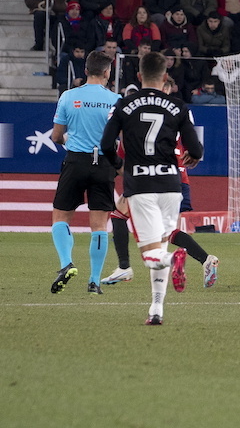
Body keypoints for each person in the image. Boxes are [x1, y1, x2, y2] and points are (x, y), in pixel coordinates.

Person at [100, 52, 204, 325]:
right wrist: (192, 156)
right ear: (165, 77)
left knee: (152, 256)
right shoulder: (178, 106)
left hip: (141, 185)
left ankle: (176, 258)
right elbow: (196, 149)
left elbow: (106, 143)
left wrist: (119, 165)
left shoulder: (124, 105)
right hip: (171, 185)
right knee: (161, 245)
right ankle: (156, 309)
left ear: (139, 76)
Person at [102, 77, 220, 290]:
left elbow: (120, 151)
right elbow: (193, 145)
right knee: (168, 233)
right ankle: (205, 260)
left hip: (152, 178)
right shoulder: (175, 112)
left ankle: (126, 267)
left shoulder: (136, 120)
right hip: (177, 179)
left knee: (120, 216)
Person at [49, 51, 120, 295]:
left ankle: (66, 264)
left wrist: (70, 141)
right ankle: (94, 281)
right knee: (99, 225)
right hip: (103, 164)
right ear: (107, 73)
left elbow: (56, 136)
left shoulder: (68, 96)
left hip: (76, 161)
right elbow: (120, 139)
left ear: (86, 70)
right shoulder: (117, 100)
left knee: (60, 218)